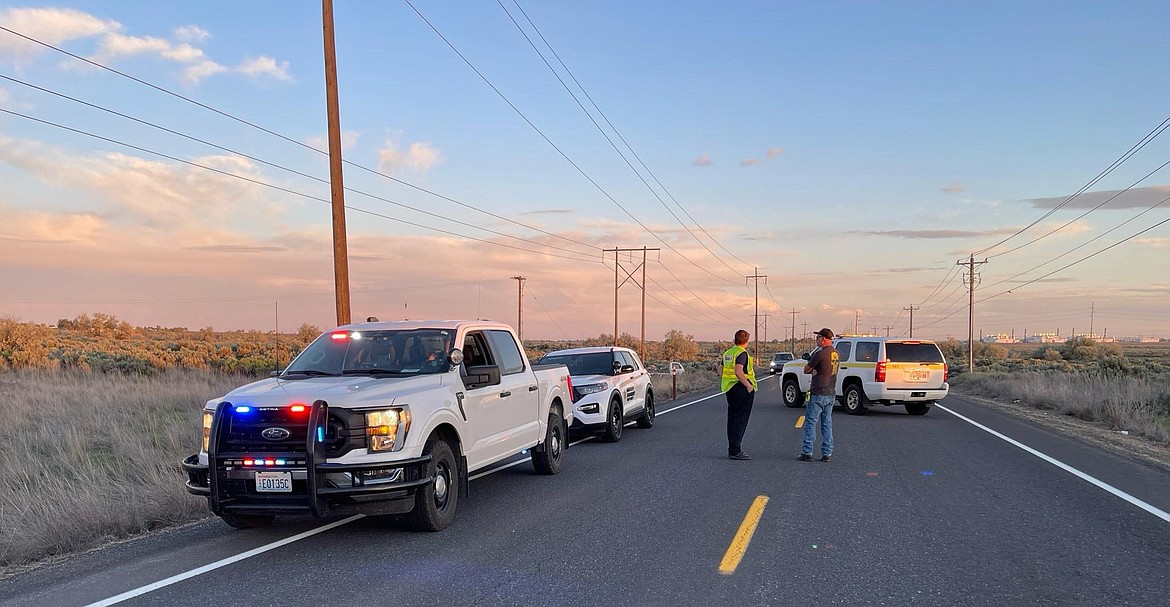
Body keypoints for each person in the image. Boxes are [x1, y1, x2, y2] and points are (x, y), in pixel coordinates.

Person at [800, 328, 839, 462]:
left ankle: (807, 452)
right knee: (827, 424)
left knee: (810, 423)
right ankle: (827, 453)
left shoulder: (820, 354)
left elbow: (806, 369)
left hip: (818, 393)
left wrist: (813, 370)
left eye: (817, 338)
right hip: (831, 392)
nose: (816, 340)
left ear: (823, 339)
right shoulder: (835, 353)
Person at [720, 329, 756, 460]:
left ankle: (732, 448)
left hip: (730, 388)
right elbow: (738, 370)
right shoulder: (742, 353)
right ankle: (736, 450)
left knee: (732, 418)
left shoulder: (728, 352)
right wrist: (748, 385)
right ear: (746, 341)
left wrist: (725, 378)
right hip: (741, 388)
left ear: (735, 340)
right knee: (740, 420)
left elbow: (720, 368)